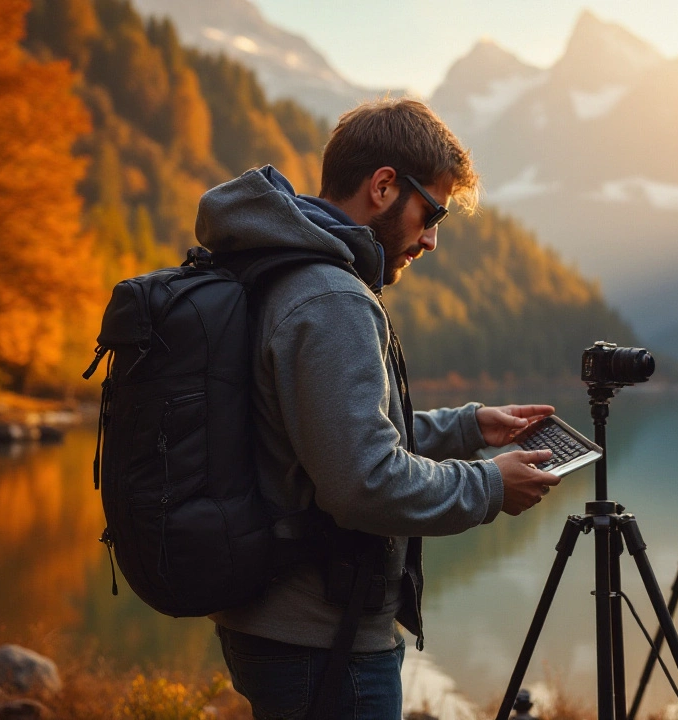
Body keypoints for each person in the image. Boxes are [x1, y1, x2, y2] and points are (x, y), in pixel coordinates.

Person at [195, 97, 561, 719]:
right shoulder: (331, 298)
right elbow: (364, 481)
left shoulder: (280, 266)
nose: (433, 237)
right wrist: (489, 487)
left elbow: (322, 431)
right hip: (324, 641)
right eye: (432, 211)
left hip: (281, 624)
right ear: (384, 187)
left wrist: (467, 426)